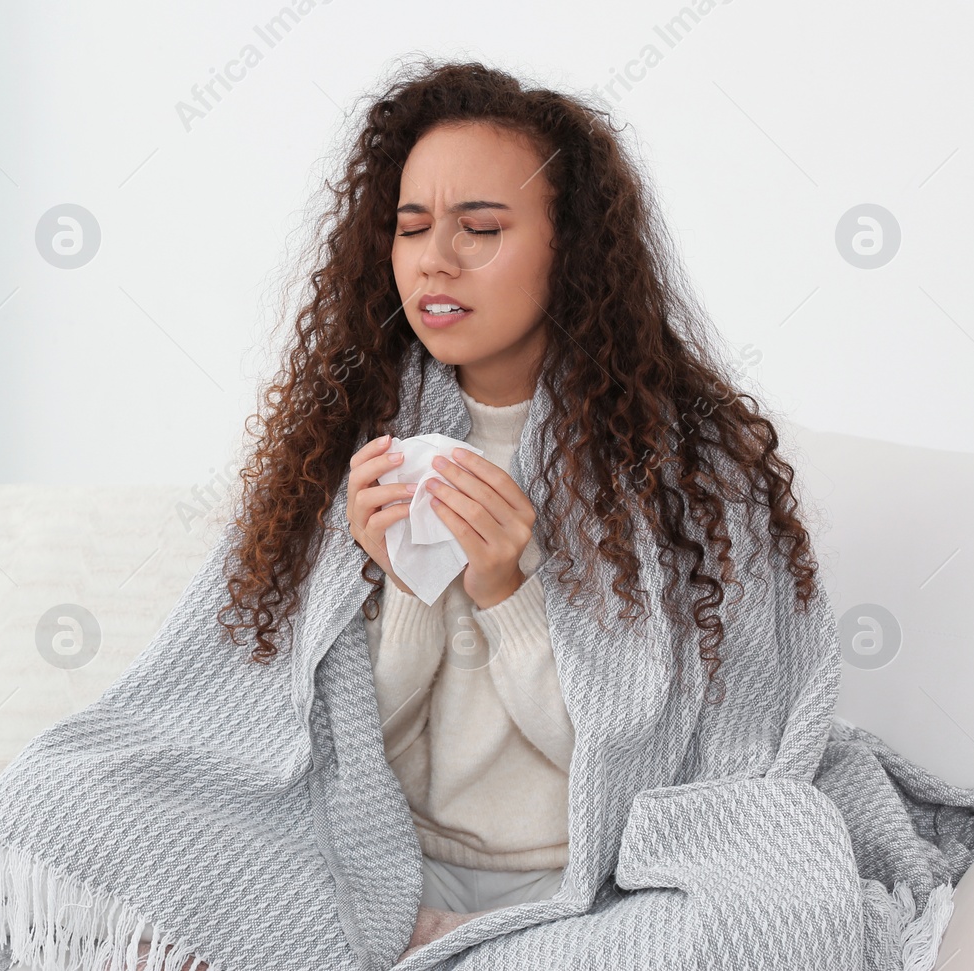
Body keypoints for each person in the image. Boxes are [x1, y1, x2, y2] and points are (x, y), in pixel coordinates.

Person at [208, 59, 822, 966]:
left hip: (602, 881)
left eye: (480, 228)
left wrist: (506, 590)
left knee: (765, 921)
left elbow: (652, 770)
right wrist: (408, 582)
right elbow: (305, 745)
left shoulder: (692, 468)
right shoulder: (346, 437)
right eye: (411, 227)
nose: (435, 259)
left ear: (569, 248)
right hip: (394, 865)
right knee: (121, 832)